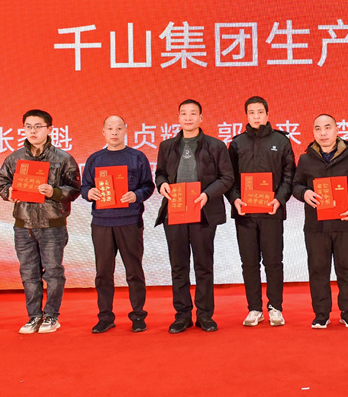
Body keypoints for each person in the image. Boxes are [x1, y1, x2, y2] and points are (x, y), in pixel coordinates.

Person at [0, 109, 81, 334]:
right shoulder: (14, 158)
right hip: (23, 225)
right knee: (28, 273)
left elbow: (75, 189)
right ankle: (33, 316)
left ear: (49, 129)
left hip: (52, 224)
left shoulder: (63, 158)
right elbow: (3, 182)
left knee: (53, 272)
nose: (32, 131)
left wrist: (54, 192)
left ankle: (52, 316)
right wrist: (8, 193)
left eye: (38, 126)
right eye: (28, 126)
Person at [155, 99, 234, 333]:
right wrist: (162, 184)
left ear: (201, 117)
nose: (188, 117)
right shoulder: (167, 146)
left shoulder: (215, 146)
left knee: (203, 266)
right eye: (184, 113)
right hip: (175, 211)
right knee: (178, 266)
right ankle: (182, 315)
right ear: (178, 118)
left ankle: (205, 315)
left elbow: (227, 177)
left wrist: (207, 195)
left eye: (193, 113)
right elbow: (160, 173)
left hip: (203, 212)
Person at [292, 114, 348, 329]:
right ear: (313, 132)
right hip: (316, 225)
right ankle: (321, 313)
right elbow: (296, 185)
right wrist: (304, 193)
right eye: (318, 129)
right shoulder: (306, 159)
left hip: (345, 222)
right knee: (318, 268)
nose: (323, 133)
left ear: (337, 130)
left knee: (347, 268)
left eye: (327, 127)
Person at [80, 115, 154, 334]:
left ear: (125, 130)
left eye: (119, 128)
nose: (114, 132)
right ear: (103, 132)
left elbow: (148, 186)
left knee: (134, 271)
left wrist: (136, 195)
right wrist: (89, 193)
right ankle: (105, 317)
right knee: (103, 272)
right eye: (110, 128)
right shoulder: (95, 159)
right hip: (102, 223)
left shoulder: (137, 157)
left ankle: (138, 316)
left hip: (130, 221)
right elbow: (84, 187)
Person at [226, 96, 295, 327]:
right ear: (246, 115)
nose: (256, 116)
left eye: (260, 112)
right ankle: (254, 308)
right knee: (249, 263)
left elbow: (289, 176)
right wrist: (235, 199)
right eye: (251, 112)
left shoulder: (281, 141)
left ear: (267, 114)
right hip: (244, 213)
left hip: (271, 211)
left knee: (274, 262)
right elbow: (229, 177)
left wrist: (279, 199)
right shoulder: (237, 143)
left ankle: (275, 307)